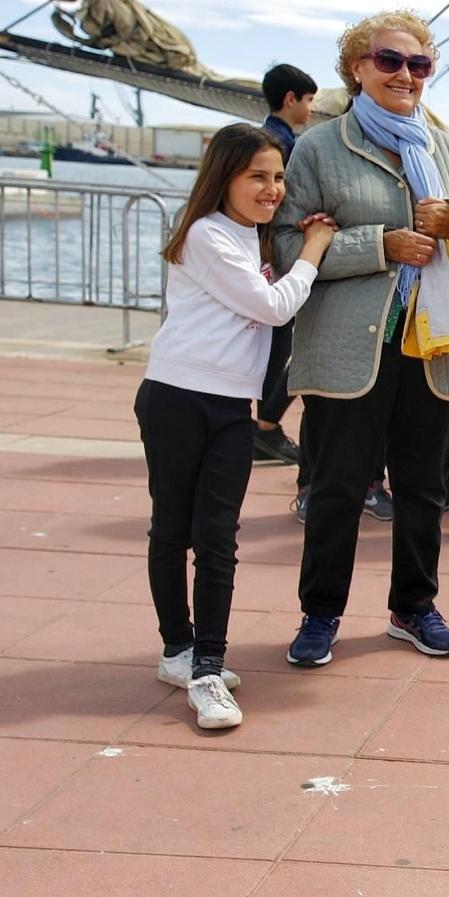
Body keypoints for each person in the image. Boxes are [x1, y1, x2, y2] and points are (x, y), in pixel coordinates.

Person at [271, 10, 449, 667]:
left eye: (418, 64)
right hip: (351, 345)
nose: (405, 75)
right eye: (389, 61)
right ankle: (321, 613)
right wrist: (378, 246)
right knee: (338, 486)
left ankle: (414, 606)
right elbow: (285, 247)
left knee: (424, 486)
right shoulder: (319, 148)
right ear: (358, 69)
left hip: (436, 343)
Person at [139, 124, 335, 728]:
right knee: (173, 528)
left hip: (229, 406)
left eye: (278, 177)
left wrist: (285, 257)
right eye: (257, 176)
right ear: (223, 176)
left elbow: (262, 300)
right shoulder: (205, 235)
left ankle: (205, 662)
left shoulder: (249, 242)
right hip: (175, 395)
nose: (271, 188)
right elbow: (273, 307)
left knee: (218, 535)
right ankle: (184, 655)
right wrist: (315, 248)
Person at [254, 63, 317, 468]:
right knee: (288, 345)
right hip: (283, 253)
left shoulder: (268, 139)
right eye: (308, 100)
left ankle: (263, 425)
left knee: (277, 344)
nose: (312, 108)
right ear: (290, 99)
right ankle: (264, 428)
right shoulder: (282, 146)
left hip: (267, 251)